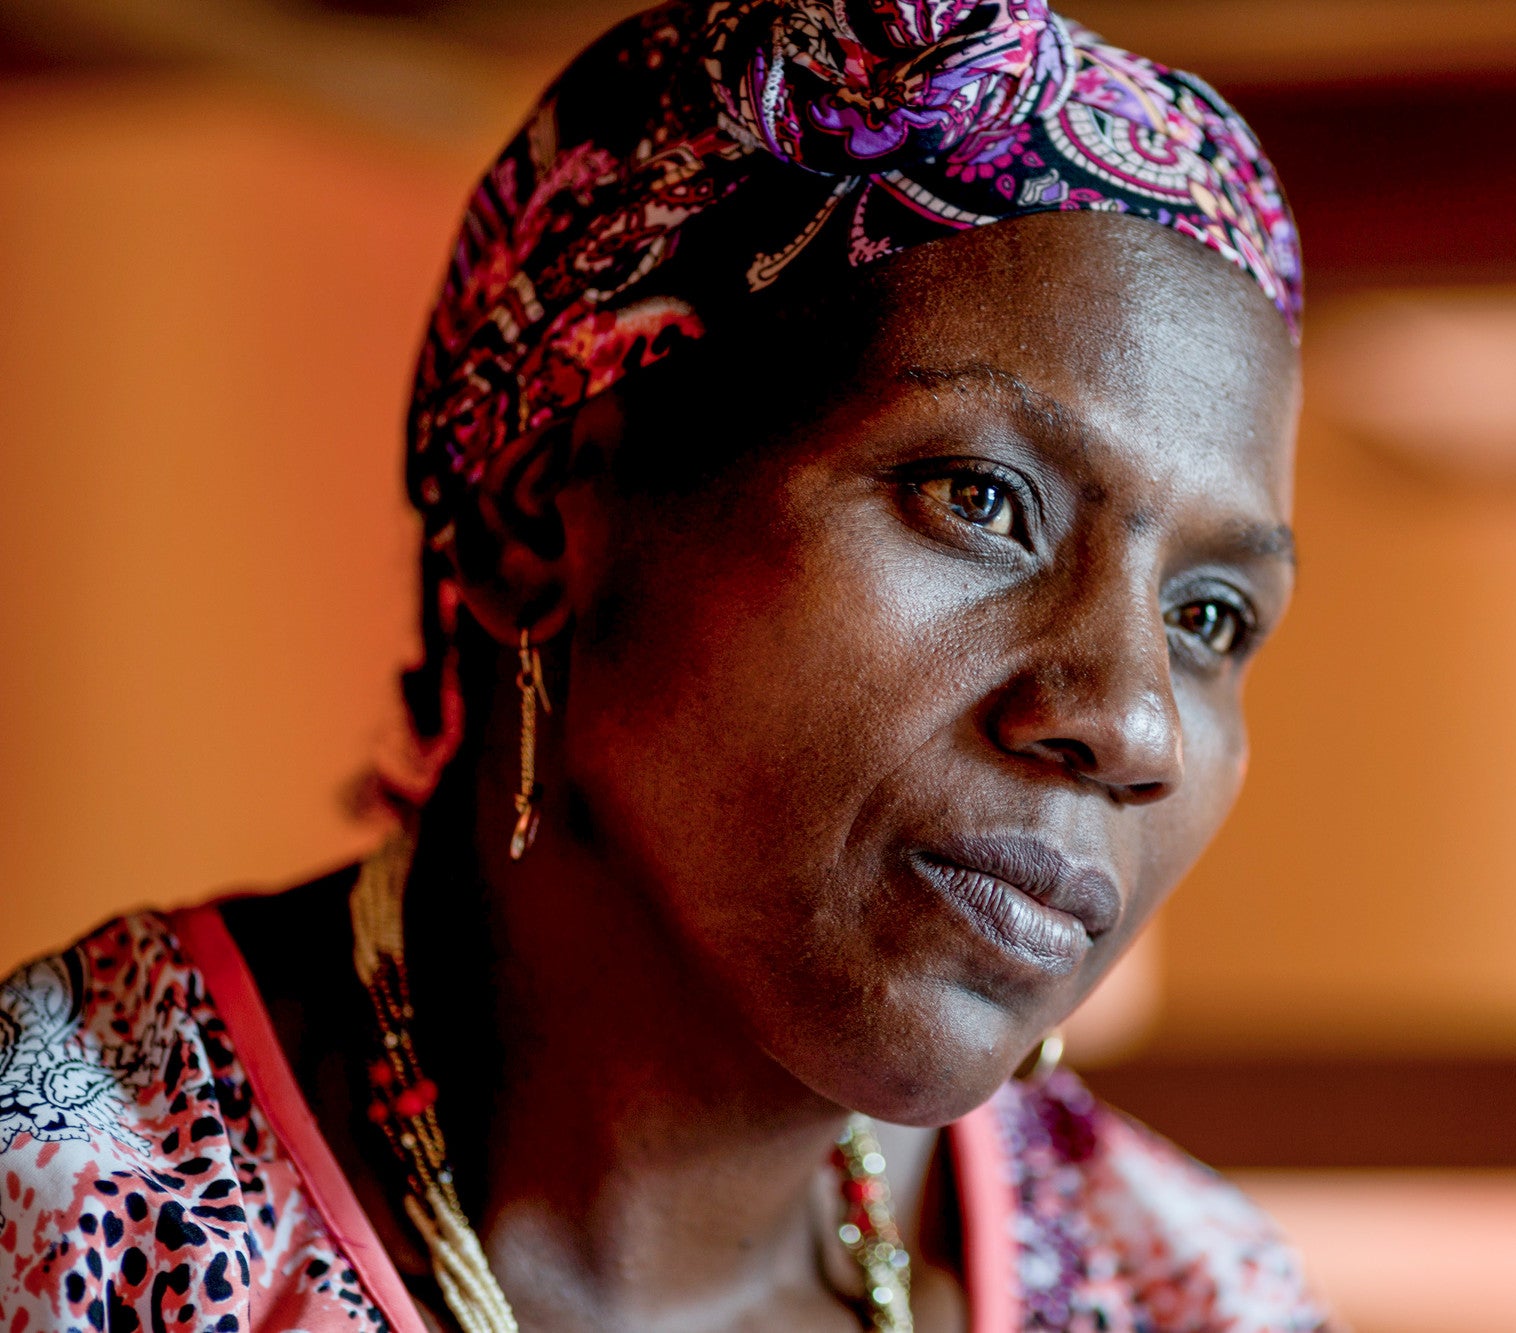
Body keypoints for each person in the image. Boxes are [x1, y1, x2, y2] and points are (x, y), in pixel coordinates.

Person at [0, 2, 1324, 1329]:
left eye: (1210, 617)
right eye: (976, 498)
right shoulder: (62, 1222)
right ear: (537, 518)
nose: (1135, 724)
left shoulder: (1188, 1292)